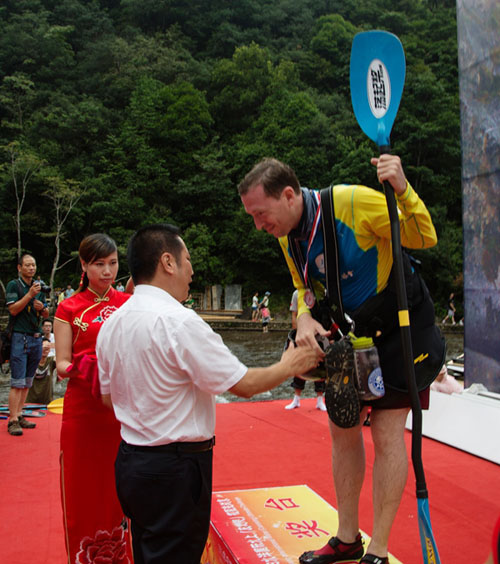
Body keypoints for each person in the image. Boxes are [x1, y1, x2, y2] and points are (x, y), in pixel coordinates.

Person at [239, 154, 445, 564]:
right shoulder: (287, 238)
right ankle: (347, 538)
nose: (259, 226)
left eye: (262, 214)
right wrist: (301, 320)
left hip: (400, 325)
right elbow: (302, 288)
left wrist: (402, 188)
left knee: (386, 433)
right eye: (253, 217)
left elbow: (424, 236)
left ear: (289, 195)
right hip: (353, 335)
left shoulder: (353, 203)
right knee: (342, 428)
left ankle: (379, 551)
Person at [96, 223, 322, 564]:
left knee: (145, 550)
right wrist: (291, 364)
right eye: (188, 260)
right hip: (175, 468)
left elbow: (107, 398)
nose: (192, 270)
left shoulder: (112, 323)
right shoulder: (180, 322)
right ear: (168, 262)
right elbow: (242, 384)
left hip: (131, 461)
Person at [54, 234, 133, 564]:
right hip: (84, 413)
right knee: (83, 493)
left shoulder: (129, 304)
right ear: (84, 265)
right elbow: (61, 365)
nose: (107, 271)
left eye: (113, 263)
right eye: (99, 264)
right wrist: (87, 365)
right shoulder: (68, 308)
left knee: (122, 490)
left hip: (121, 412)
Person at [5, 254, 49, 436]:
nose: (31, 268)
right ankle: (12, 419)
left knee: (28, 380)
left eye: (34, 265)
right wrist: (29, 295)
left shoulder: (39, 286)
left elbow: (46, 314)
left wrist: (42, 308)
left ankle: (20, 414)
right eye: (28, 265)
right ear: (19, 267)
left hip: (36, 337)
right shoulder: (14, 285)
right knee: (17, 381)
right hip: (19, 337)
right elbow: (13, 309)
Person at [286, 290, 327, 411]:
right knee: (300, 366)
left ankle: (320, 400)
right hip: (302, 334)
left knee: (320, 366)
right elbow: (294, 314)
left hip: (319, 334)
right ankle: (296, 399)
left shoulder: (323, 291)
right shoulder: (296, 294)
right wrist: (295, 334)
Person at [26, 337, 53, 404]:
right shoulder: (29, 361)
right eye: (43, 348)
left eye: (47, 349)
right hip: (29, 402)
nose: (45, 350)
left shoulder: (51, 361)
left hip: (46, 402)